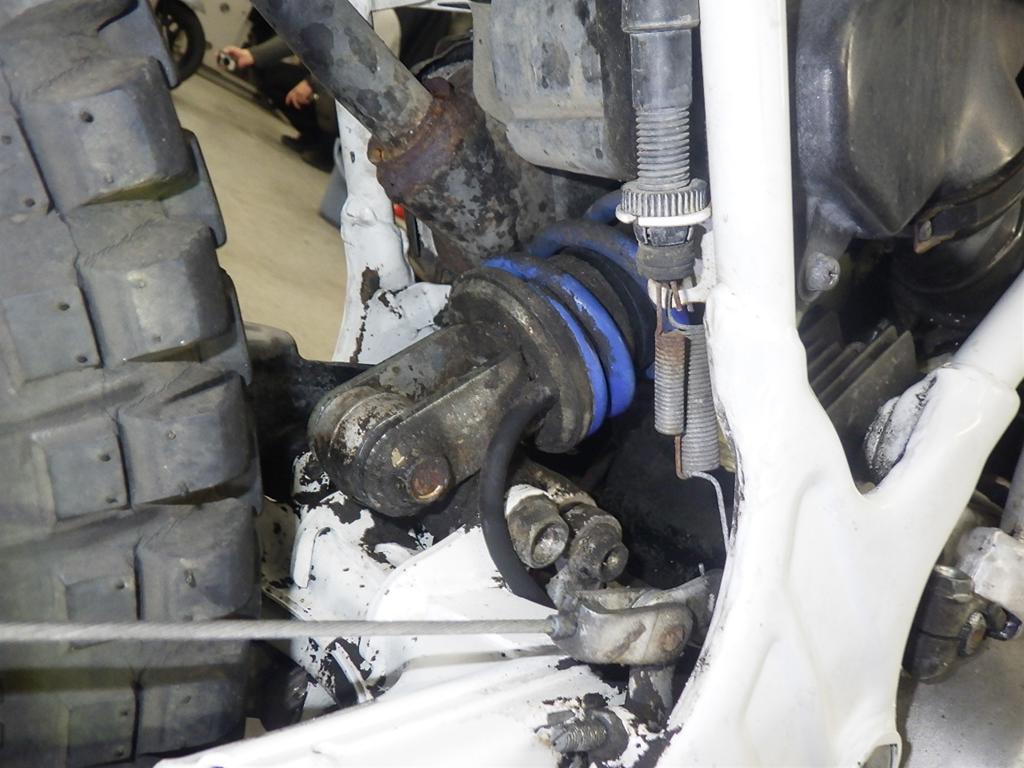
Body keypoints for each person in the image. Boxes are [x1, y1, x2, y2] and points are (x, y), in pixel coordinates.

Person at [219, 38, 336, 171]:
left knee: (331, 99)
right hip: (324, 76)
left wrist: (312, 83)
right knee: (273, 77)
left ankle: (332, 151)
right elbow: (300, 35)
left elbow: (351, 61)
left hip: (346, 89)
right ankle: (313, 138)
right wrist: (252, 54)